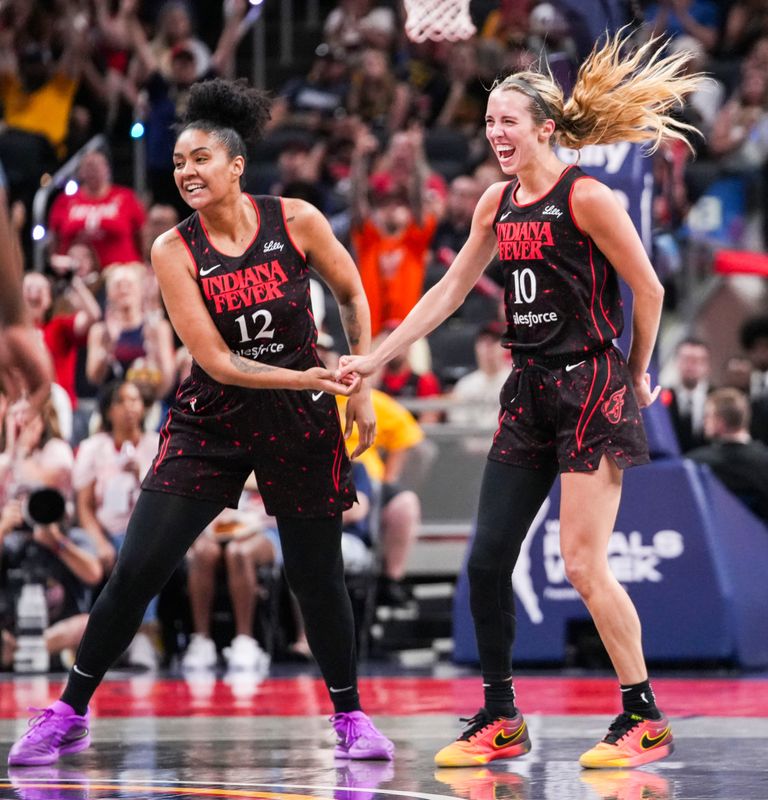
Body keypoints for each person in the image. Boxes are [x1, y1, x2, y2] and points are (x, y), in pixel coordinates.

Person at [337, 30, 703, 768]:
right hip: (529, 387)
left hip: (592, 384)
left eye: (507, 121)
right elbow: (445, 292)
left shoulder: (587, 196)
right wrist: (375, 357)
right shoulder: (496, 204)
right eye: (488, 124)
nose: (495, 134)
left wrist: (633, 373)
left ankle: (644, 716)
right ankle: (501, 716)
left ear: (545, 128)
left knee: (582, 564)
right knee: (484, 561)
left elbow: (651, 287)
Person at [8, 77, 393, 766]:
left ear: (236, 165)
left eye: (200, 159)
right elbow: (214, 359)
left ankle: (351, 716)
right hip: (212, 417)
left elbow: (351, 290)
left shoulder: (297, 220)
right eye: (179, 162)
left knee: (317, 576)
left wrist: (359, 381)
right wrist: (309, 375)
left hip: (299, 419)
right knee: (137, 568)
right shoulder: (171, 249)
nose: (186, 171)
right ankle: (68, 710)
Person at [687, 388, 768, 523]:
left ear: (720, 422)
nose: (704, 421)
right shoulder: (765, 462)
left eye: (707, 415)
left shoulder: (694, 465)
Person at [660, 337, 711, 453]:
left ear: (707, 365)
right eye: (686, 359)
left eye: (697, 361)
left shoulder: (716, 397)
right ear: (676, 362)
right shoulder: (661, 397)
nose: (691, 366)